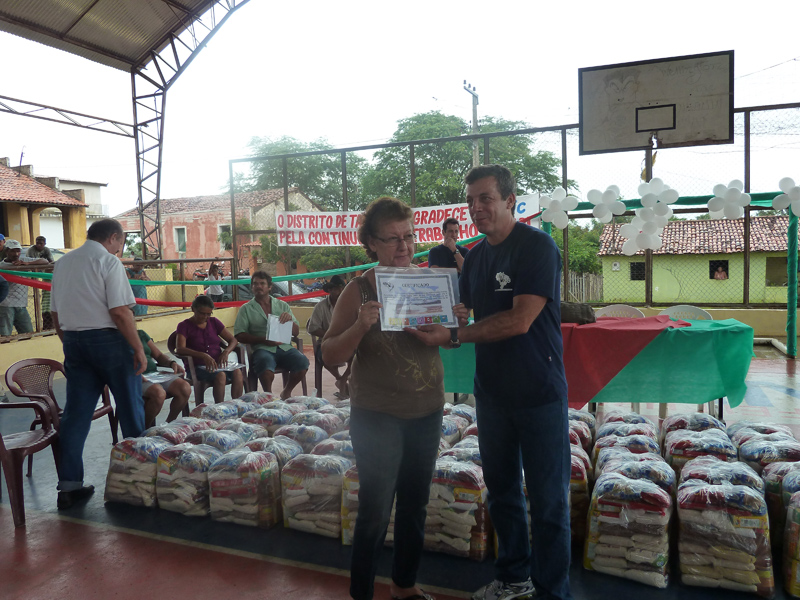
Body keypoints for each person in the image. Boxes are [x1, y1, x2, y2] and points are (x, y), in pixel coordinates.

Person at [408, 165, 572, 600]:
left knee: (549, 501)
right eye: (470, 201)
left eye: (485, 199)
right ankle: (514, 577)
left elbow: (519, 320)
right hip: (493, 393)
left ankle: (552, 591)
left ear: (508, 200)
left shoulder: (537, 247)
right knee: (501, 494)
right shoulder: (476, 258)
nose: (476, 208)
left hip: (539, 392)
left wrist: (456, 333)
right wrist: (451, 317)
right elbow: (462, 312)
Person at [322, 196, 448, 600]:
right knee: (375, 511)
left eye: (409, 236)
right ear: (371, 243)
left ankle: (404, 588)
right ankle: (362, 594)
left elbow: (448, 341)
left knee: (415, 507)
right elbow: (329, 354)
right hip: (377, 415)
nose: (405, 247)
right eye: (393, 239)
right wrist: (360, 326)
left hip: (426, 410)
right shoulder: (358, 290)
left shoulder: (430, 282)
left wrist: (454, 323)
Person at [50, 218, 147, 509]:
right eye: (121, 242)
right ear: (114, 237)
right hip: (108, 342)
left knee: (76, 415)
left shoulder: (63, 264)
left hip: (74, 341)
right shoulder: (109, 262)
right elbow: (120, 312)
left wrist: (70, 342)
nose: (121, 248)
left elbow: (55, 314)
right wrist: (138, 348)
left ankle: (69, 486)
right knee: (130, 407)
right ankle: (137, 482)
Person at [234, 271, 309, 399]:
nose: (258, 286)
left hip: (285, 348)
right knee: (264, 362)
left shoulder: (282, 305)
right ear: (252, 287)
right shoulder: (246, 309)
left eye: (262, 283)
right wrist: (263, 340)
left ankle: (287, 391)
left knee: (302, 362)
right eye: (255, 284)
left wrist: (290, 321)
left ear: (269, 287)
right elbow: (239, 335)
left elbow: (296, 332)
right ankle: (269, 396)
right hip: (262, 349)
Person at [176, 295, 244, 404]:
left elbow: (233, 340)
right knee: (221, 376)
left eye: (209, 314)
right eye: (202, 313)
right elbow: (180, 349)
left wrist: (226, 352)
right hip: (197, 367)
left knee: (237, 372)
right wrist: (202, 355)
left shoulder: (214, 322)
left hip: (218, 364)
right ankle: (219, 408)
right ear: (193, 309)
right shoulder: (184, 326)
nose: (206, 317)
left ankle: (237, 405)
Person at [307, 275, 352, 398]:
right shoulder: (320, 306)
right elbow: (312, 328)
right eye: (333, 289)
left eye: (338, 289)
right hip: (326, 342)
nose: (336, 291)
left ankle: (343, 381)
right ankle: (341, 380)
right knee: (324, 355)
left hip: (347, 342)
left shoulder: (350, 306)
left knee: (360, 355)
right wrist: (331, 335)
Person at [138, 327, 191, 428]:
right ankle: (145, 429)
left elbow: (158, 355)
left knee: (184, 387)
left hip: (153, 374)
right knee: (159, 393)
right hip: (135, 378)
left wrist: (172, 363)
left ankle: (168, 425)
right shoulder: (116, 339)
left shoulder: (141, 334)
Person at [0, 239, 50, 336]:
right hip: (6, 305)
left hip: (21, 305)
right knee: (5, 335)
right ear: (7, 251)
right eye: (13, 251)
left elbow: (45, 261)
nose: (16, 253)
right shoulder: (2, 266)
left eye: (18, 251)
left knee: (28, 333)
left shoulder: (24, 260)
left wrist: (27, 264)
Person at [27, 235, 55, 329]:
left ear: (44, 244)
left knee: (48, 302)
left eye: (41, 243)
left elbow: (50, 262)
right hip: (36, 273)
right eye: (37, 243)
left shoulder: (46, 250)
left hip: (45, 274)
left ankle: (49, 326)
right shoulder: (31, 250)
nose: (39, 245)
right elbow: (28, 262)